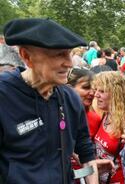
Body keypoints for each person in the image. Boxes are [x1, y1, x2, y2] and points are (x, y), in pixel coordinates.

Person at [0, 18, 107, 183]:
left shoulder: (70, 98)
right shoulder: (4, 96)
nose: (70, 63)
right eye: (59, 54)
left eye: (69, 53)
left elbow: (86, 153)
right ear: (26, 56)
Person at [92, 71, 125, 184]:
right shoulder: (105, 115)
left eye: (102, 91)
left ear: (116, 94)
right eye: (96, 90)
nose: (96, 95)